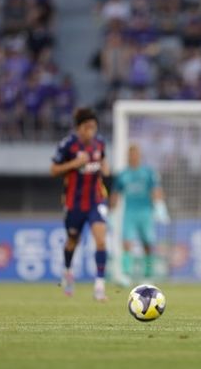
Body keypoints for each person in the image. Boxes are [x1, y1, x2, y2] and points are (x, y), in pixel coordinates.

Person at [50, 107, 110, 301]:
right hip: (74, 203)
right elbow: (53, 170)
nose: (90, 131)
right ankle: (68, 272)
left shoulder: (100, 143)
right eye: (87, 127)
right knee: (72, 241)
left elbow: (104, 162)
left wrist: (105, 168)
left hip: (96, 200)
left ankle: (99, 286)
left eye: (93, 127)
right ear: (79, 128)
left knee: (101, 240)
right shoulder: (68, 145)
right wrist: (74, 164)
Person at [110, 144, 169, 282]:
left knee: (147, 244)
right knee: (126, 243)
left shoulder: (148, 172)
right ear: (128, 157)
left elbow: (156, 190)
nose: (133, 157)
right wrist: (111, 212)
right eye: (131, 155)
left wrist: (160, 206)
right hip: (130, 213)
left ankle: (148, 274)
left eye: (136, 154)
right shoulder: (123, 174)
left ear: (140, 156)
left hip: (145, 212)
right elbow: (115, 193)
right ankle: (125, 275)